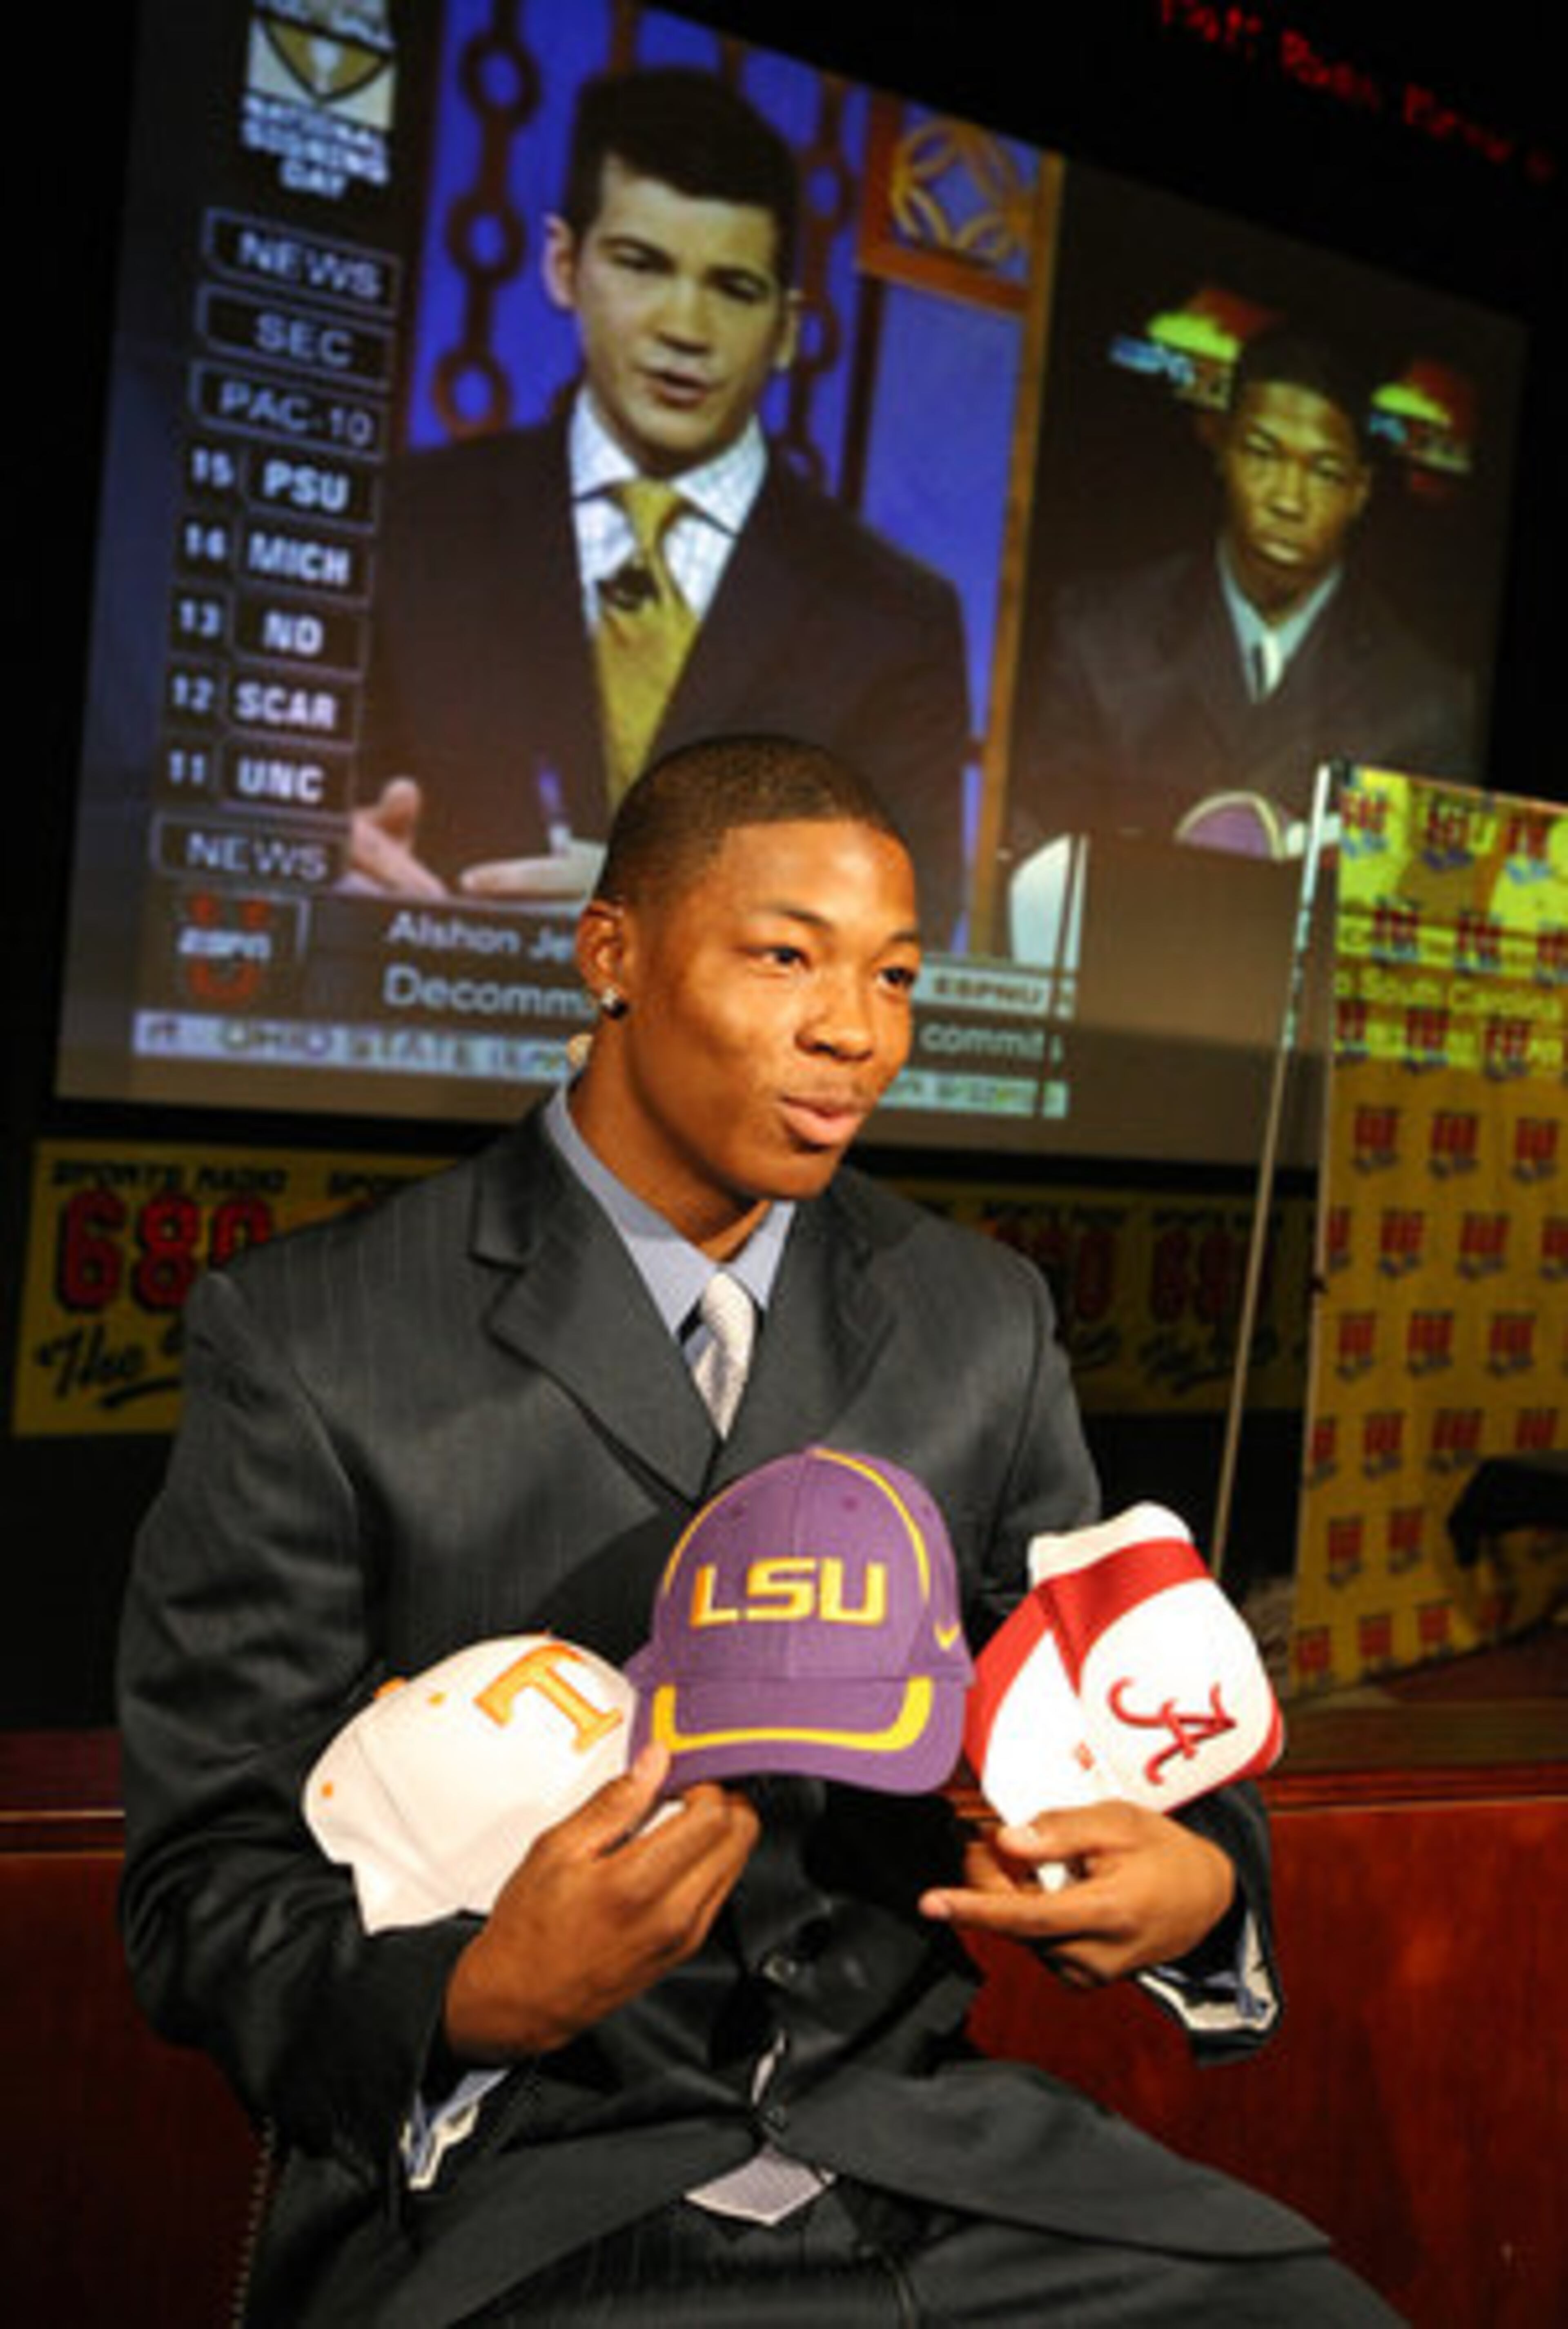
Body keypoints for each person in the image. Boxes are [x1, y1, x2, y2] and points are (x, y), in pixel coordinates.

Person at [120, 736, 1396, 2324]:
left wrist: (1195, 1889)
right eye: (787, 957)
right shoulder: (317, 1333)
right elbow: (204, 1885)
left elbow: (1129, 1720)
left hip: (939, 2168)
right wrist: (475, 1993)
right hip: (525, 2201)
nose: (856, 1031)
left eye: (897, 976)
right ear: (613, 955)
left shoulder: (978, 1319)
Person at [351, 68, 971, 941]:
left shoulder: (893, 617)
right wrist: (321, 853)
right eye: (642, 266)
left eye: (733, 288)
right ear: (564, 266)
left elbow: (907, 928)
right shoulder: (410, 523)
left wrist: (669, 911)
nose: (685, 329)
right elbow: (271, 795)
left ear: (788, 329)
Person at [1009, 327, 1474, 860]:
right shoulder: (1099, 634)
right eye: (1262, 454)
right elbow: (1034, 849)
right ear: (1223, 450)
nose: (1288, 500)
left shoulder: (1426, 706)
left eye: (1324, 472)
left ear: (1359, 491)